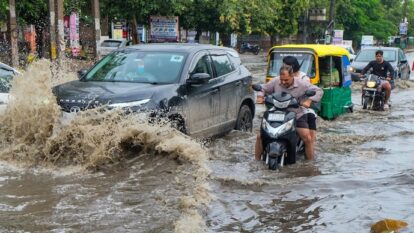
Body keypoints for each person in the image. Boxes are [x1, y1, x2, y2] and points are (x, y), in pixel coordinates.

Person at [254, 66, 324, 161]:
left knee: (307, 138)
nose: (283, 82)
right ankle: (256, 161)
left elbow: (319, 91)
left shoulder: (302, 83)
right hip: (276, 112)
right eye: (281, 80)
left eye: (286, 80)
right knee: (260, 136)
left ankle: (310, 164)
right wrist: (260, 96)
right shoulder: (275, 81)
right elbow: (262, 88)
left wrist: (309, 101)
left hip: (297, 113)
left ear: (292, 76)